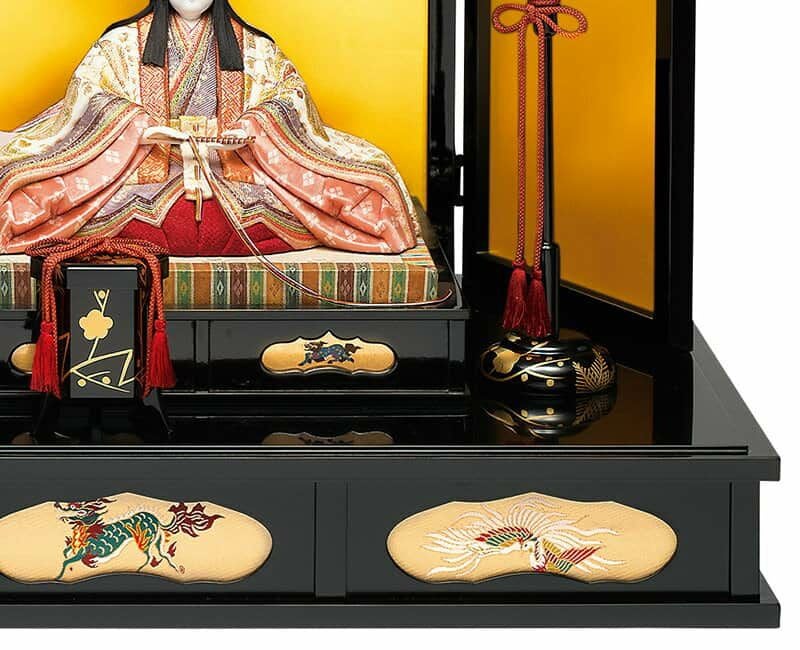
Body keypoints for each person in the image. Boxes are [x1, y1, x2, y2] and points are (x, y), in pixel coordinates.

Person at [0, 0, 419, 257]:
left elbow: (288, 94)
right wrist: (140, 127)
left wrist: (253, 127)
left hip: (230, 168)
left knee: (368, 179)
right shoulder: (121, 42)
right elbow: (90, 94)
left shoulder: (252, 45)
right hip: (141, 168)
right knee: (24, 184)